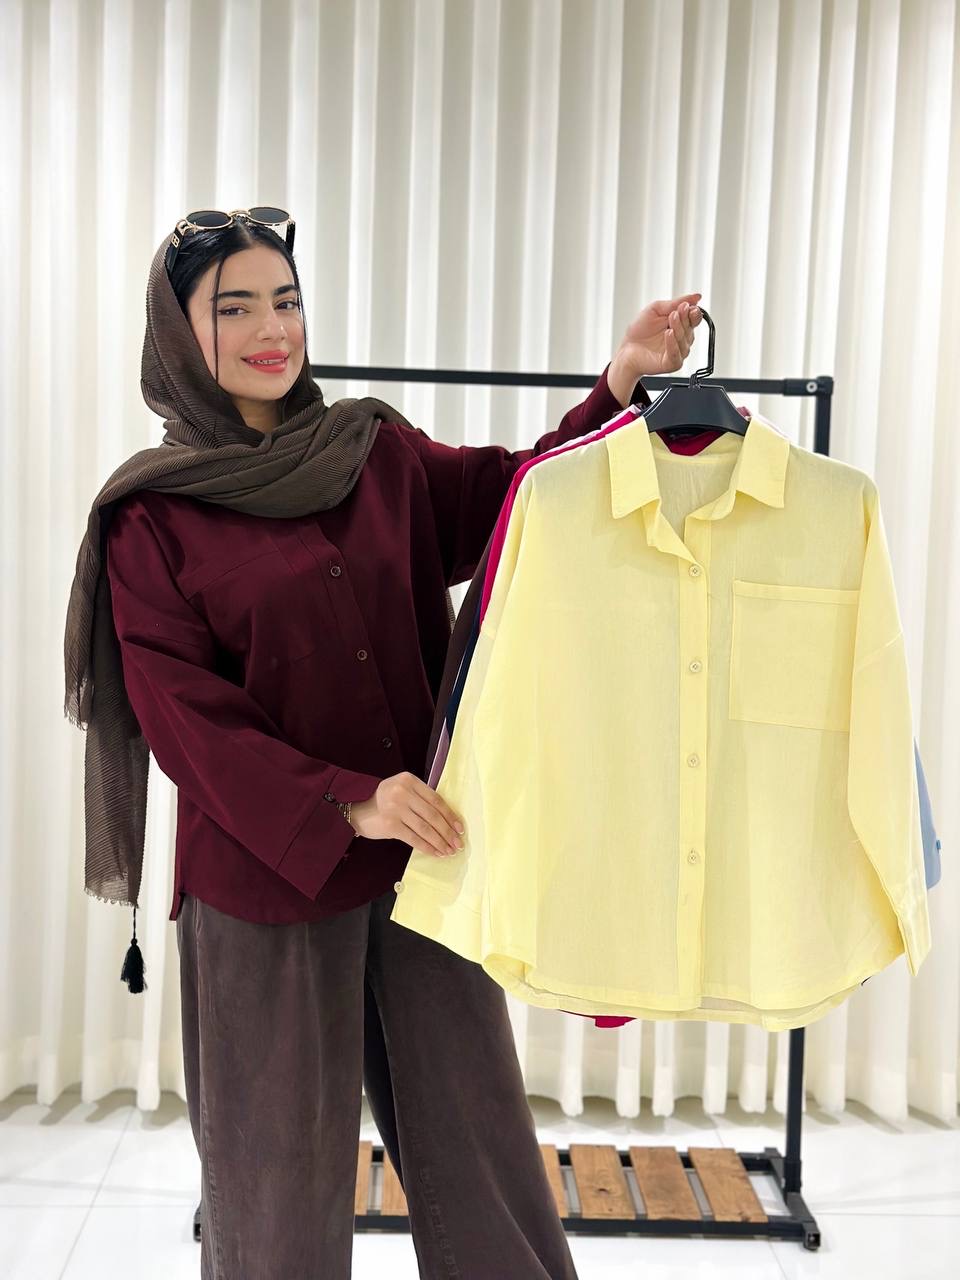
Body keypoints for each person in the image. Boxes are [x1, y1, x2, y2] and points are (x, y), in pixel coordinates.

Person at [64, 206, 701, 1278]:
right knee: (273, 1194)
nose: (273, 329)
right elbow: (185, 719)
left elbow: (521, 501)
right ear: (178, 333)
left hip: (423, 865)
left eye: (285, 300)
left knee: (482, 1158)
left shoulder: (374, 454)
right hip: (264, 889)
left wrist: (620, 382)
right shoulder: (152, 518)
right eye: (234, 308)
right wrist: (345, 799)